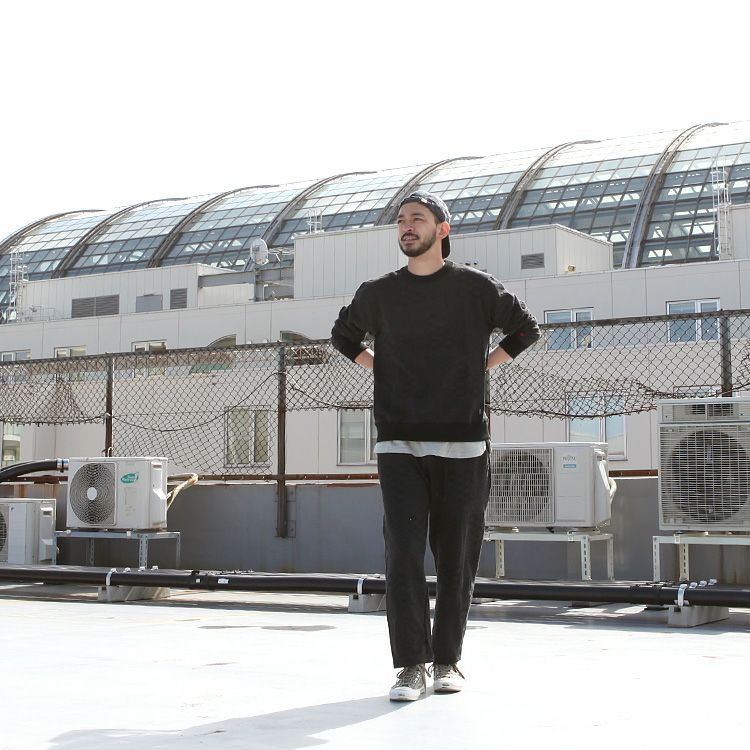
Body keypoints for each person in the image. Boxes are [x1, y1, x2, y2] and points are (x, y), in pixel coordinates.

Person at [331, 190, 540, 701]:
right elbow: (343, 337)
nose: (407, 226)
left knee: (457, 558)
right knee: (403, 553)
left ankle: (447, 660)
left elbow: (525, 330)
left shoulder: (475, 288)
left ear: (442, 230)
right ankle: (410, 666)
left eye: (417, 219)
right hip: (399, 442)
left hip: (464, 443)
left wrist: (479, 368)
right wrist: (383, 369)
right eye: (401, 220)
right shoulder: (378, 293)